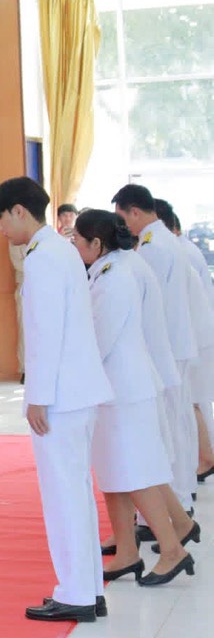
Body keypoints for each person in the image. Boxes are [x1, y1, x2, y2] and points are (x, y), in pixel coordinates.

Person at [0, 177, 113, 623]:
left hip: (61, 395)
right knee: (76, 493)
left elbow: (45, 334)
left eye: (2, 218)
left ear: (19, 211)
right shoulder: (60, 250)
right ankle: (89, 589)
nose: (1, 228)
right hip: (78, 391)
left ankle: (76, 594)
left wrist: (37, 398)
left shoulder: (42, 258)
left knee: (64, 496)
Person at [70, 211, 195, 586]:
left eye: (77, 240)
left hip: (123, 389)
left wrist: (72, 379)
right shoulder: (114, 267)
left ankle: (172, 550)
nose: (74, 245)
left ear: (96, 243)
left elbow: (99, 339)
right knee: (115, 474)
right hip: (118, 388)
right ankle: (127, 550)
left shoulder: (115, 277)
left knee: (136, 473)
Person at [113, 184, 204, 508]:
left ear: (135, 212)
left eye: (122, 218)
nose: (123, 226)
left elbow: (149, 305)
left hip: (164, 347)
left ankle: (176, 502)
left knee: (167, 428)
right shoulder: (167, 240)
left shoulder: (152, 248)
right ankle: (183, 492)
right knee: (178, 421)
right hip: (177, 343)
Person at [156, 198, 214, 481]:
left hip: (194, 338)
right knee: (194, 403)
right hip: (195, 336)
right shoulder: (179, 249)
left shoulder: (176, 251)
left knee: (192, 403)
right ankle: (202, 458)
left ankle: (205, 458)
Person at [11, 240, 29, 384]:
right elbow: (19, 264)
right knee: (25, 330)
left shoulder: (50, 238)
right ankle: (25, 369)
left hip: (48, 287)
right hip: (26, 286)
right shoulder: (17, 238)